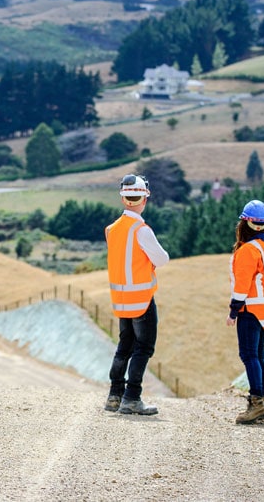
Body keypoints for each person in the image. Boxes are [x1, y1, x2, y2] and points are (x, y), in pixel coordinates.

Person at [104, 174, 169, 415]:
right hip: (141, 300)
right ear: (144, 199)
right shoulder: (141, 230)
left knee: (124, 346)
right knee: (144, 348)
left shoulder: (112, 230)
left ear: (123, 198)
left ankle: (114, 395)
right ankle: (132, 397)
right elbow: (162, 259)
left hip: (121, 299)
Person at [226, 199, 264, 424]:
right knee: (259, 355)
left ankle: (256, 404)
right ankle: (262, 402)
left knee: (249, 355)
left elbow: (242, 284)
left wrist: (233, 310)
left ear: (244, 223)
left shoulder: (248, 250)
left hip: (249, 308)